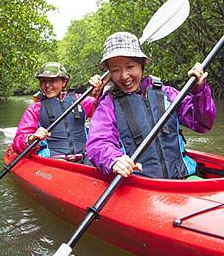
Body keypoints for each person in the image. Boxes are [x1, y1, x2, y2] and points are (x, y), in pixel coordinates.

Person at [85, 31, 216, 179]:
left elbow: (202, 123)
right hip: (139, 184)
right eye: (115, 70)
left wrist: (199, 91)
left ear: (141, 65)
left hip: (183, 179)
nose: (124, 76)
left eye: (130, 67)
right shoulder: (108, 105)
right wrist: (114, 160)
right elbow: (99, 142)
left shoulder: (167, 93)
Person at [12, 62, 102, 160]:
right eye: (43, 81)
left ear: (64, 82)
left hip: (85, 159)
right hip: (53, 163)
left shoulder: (82, 101)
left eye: (52, 80)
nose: (47, 85)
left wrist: (100, 89)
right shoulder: (35, 110)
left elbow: (108, 109)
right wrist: (31, 138)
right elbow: (17, 144)